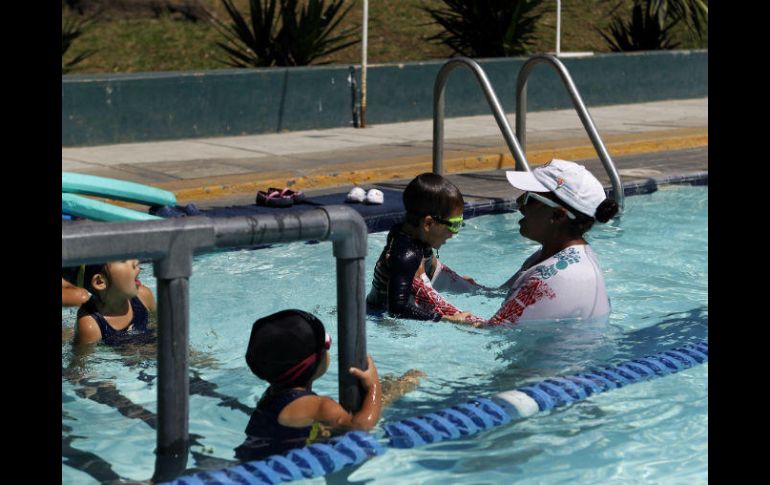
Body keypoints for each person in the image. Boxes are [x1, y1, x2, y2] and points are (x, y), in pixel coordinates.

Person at [477, 159, 619, 326]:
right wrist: (439, 270)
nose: (519, 203)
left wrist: (438, 305)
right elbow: (496, 293)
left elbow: (490, 330)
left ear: (558, 215)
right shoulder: (552, 256)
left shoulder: (552, 277)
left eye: (530, 198)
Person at [234, 309, 389, 461]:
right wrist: (373, 386)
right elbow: (360, 428)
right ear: (315, 361)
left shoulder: (271, 394)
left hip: (251, 466)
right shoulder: (319, 406)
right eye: (327, 344)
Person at [366, 173, 483, 323]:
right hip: (379, 317)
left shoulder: (413, 234)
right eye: (454, 224)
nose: (454, 233)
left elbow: (426, 266)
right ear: (428, 224)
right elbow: (397, 309)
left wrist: (453, 281)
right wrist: (446, 319)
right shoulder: (407, 255)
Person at [75, 259, 156, 346]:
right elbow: (80, 358)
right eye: (123, 261)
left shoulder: (143, 296)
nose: (136, 262)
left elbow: (158, 325)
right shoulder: (90, 325)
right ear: (100, 282)